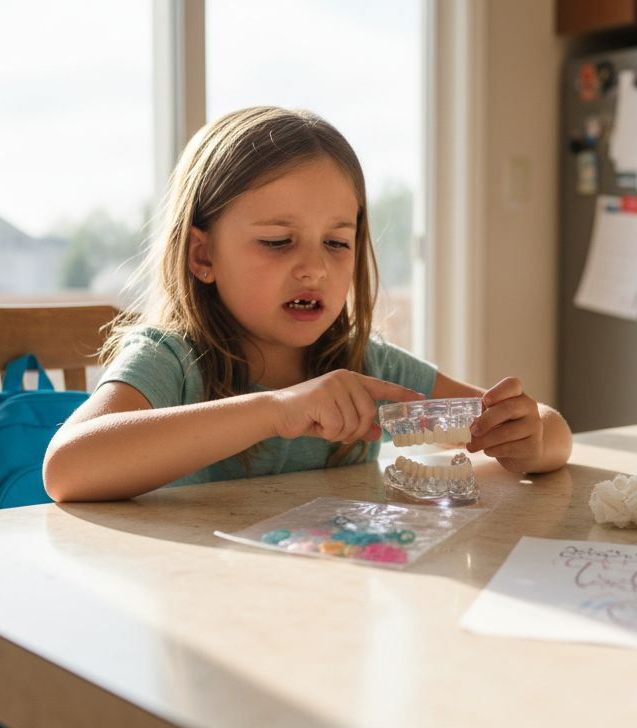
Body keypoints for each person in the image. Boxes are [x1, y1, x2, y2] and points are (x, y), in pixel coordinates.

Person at [43, 107, 571, 501]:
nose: (315, 268)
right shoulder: (170, 360)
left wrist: (530, 437)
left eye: (337, 243)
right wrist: (280, 410)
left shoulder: (365, 363)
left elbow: (549, 428)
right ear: (202, 255)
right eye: (277, 241)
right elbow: (67, 468)